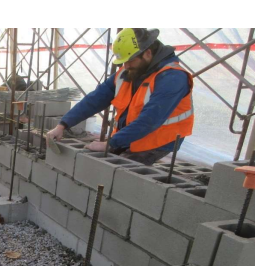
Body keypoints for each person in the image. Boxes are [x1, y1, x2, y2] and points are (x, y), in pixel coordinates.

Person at [46, 28, 194, 166]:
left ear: (148, 53)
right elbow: (95, 99)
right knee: (99, 165)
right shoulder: (128, 72)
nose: (127, 66)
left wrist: (111, 143)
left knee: (118, 174)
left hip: (157, 139)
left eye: (130, 60)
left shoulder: (172, 77)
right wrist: (63, 125)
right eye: (124, 61)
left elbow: (150, 119)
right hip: (131, 134)